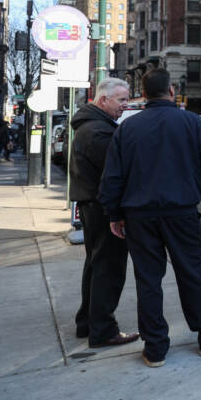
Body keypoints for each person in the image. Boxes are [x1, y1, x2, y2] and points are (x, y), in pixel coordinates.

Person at [99, 68, 201, 368]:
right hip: (180, 211)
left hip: (139, 216)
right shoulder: (191, 122)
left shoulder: (126, 128)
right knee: (192, 273)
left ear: (142, 95)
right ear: (171, 91)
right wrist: (195, 192)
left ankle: (155, 347)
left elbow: (113, 178)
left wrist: (115, 213)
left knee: (148, 280)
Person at [70, 78, 139, 348]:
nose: (126, 105)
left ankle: (87, 322)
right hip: (101, 208)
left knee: (96, 264)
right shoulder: (98, 132)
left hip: (93, 205)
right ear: (103, 100)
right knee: (108, 268)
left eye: (127, 99)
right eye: (121, 100)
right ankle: (103, 330)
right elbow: (115, 176)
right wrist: (117, 214)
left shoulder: (92, 127)